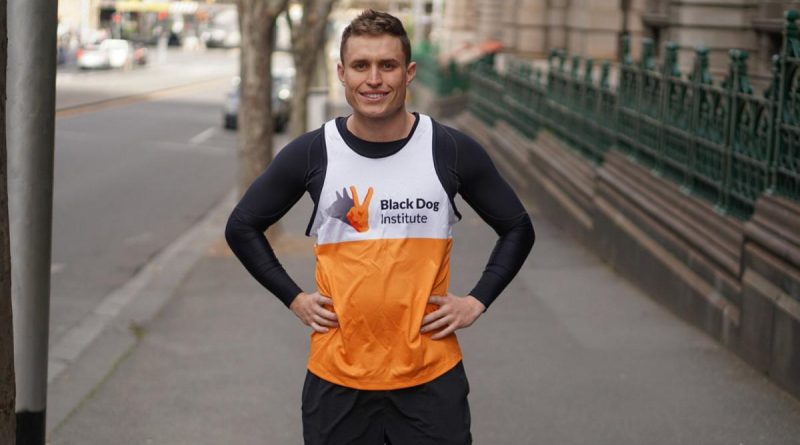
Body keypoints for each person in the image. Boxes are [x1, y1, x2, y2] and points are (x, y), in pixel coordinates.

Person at [225, 9, 534, 444]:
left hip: (430, 380)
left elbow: (518, 228)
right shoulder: (316, 152)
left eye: (387, 66)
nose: (374, 79)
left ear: (408, 73)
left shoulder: (448, 149)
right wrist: (294, 298)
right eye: (361, 66)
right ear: (342, 73)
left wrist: (476, 302)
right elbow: (242, 227)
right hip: (338, 381)